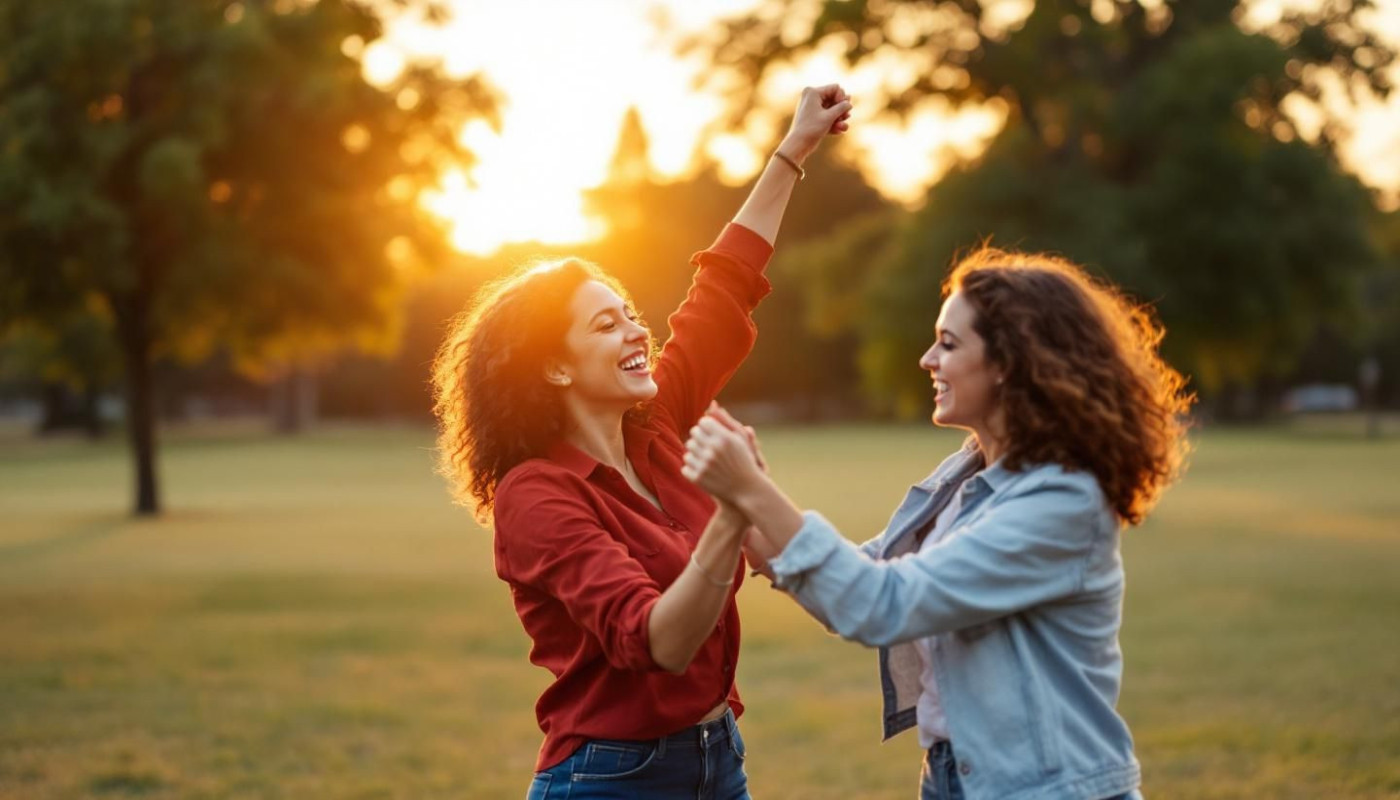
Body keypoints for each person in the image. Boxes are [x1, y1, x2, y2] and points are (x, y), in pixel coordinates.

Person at [430, 87, 852, 799]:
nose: (636, 331)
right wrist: (733, 512)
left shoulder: (655, 426)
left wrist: (794, 149)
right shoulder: (535, 494)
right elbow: (656, 640)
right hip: (612, 778)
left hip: (719, 759)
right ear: (556, 367)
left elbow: (723, 291)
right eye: (605, 326)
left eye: (629, 314)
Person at [682, 248, 1193, 800]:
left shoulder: (1060, 504)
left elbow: (881, 604)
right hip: (954, 777)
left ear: (1008, 364)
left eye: (949, 343)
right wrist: (742, 509)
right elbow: (863, 574)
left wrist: (754, 489)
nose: (927, 359)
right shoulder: (967, 473)